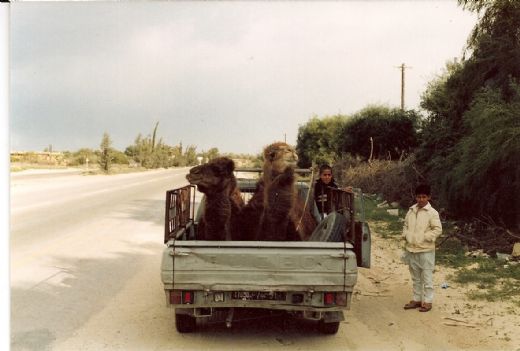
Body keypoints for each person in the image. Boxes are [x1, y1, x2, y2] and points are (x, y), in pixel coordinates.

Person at [402, 184, 442, 312]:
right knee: (416, 277)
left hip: (426, 250)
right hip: (411, 249)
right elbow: (406, 225)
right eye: (419, 197)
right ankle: (417, 299)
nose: (421, 199)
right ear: (415, 197)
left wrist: (425, 237)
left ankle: (428, 301)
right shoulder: (411, 210)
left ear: (429, 197)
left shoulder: (432, 213)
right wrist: (406, 235)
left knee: (427, 277)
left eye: (424, 197)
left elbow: (438, 230)